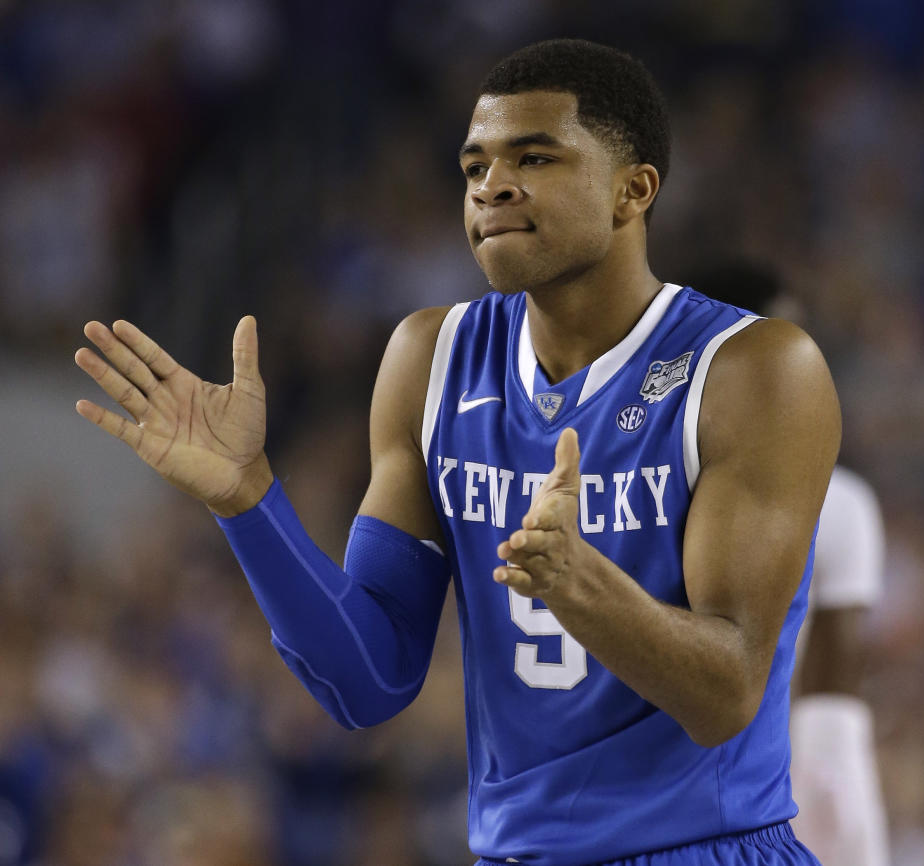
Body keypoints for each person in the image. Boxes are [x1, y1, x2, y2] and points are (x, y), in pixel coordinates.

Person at [75, 39, 840, 866]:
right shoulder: (430, 357)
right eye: (474, 166)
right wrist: (249, 501)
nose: (492, 186)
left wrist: (580, 586)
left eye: (535, 157)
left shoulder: (753, 369)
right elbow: (367, 682)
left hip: (704, 848)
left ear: (634, 189)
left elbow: (727, 693)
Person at [687, 260, 890, 866]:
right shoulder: (840, 504)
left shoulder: (618, 484)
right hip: (758, 800)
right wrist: (857, 845)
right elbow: (831, 717)